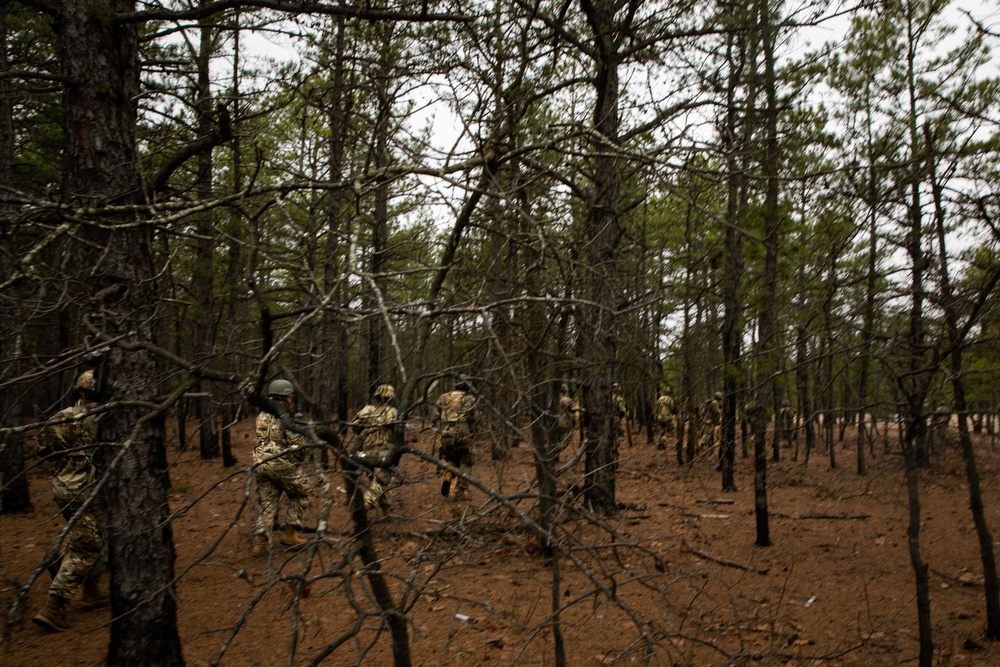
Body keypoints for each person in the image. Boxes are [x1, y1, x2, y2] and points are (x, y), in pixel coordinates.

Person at [32, 370, 108, 632]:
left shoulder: (60, 416)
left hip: (62, 490)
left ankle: (91, 590)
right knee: (88, 545)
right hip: (85, 491)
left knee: (99, 537)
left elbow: (41, 450)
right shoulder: (100, 418)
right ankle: (53, 607)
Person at [252, 379, 310, 556]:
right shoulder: (285, 415)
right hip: (280, 462)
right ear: (285, 397)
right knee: (302, 491)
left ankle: (261, 541)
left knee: (268, 502)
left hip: (260, 463)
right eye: (290, 396)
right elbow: (296, 442)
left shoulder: (261, 415)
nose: (291, 399)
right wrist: (300, 457)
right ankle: (290, 533)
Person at [352, 383, 398, 512]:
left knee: (377, 481)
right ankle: (366, 503)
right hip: (383, 453)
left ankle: (387, 511)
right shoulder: (392, 412)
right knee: (381, 481)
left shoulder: (368, 410)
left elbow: (355, 426)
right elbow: (398, 431)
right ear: (390, 398)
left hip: (367, 452)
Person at [435, 376, 477, 500]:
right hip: (462, 433)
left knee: (451, 458)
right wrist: (472, 432)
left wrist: (442, 427)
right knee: (466, 461)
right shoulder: (470, 399)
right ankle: (459, 491)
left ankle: (448, 474)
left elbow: (435, 416)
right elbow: (475, 418)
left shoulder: (444, 397)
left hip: (446, 433)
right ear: (468, 386)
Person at [554, 383, 577, 459]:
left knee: (556, 439)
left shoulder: (554, 399)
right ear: (565, 391)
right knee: (566, 440)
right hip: (564, 422)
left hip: (554, 422)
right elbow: (571, 410)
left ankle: (555, 456)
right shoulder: (566, 400)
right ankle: (553, 453)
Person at [654, 385, 676, 450]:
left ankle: (660, 444)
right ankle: (663, 442)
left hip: (660, 417)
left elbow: (656, 409)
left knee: (661, 432)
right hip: (667, 418)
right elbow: (672, 409)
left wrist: (656, 416)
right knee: (670, 431)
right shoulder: (670, 399)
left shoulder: (660, 398)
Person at [700, 391, 722, 455]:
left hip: (708, 420)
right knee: (707, 434)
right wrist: (720, 410)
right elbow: (716, 411)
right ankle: (702, 445)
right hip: (709, 421)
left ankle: (709, 448)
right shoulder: (715, 403)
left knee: (710, 434)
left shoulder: (713, 402)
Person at [612, 382, 629, 448]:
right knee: (620, 433)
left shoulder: (608, 398)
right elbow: (622, 410)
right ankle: (614, 449)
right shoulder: (619, 399)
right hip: (616, 418)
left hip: (608, 419)